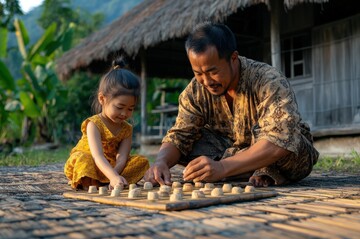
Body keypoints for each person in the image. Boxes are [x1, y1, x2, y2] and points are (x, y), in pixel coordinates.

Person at [144, 22, 319, 187]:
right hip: (228, 150)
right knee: (188, 145)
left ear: (233, 58)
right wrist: (161, 162)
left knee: (287, 143)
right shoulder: (195, 90)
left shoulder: (269, 80)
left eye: (213, 72)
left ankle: (251, 168)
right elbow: (181, 135)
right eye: (198, 73)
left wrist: (222, 168)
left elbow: (281, 139)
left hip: (283, 154)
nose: (206, 81)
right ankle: (246, 168)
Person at [64, 57, 149, 190]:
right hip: (93, 162)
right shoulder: (94, 124)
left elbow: (122, 158)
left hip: (112, 166)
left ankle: (108, 182)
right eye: (119, 107)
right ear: (102, 99)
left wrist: (114, 174)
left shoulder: (127, 129)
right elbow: (97, 156)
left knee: (141, 162)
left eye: (130, 109)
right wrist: (113, 177)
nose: (124, 113)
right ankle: (93, 182)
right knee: (83, 160)